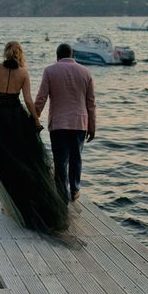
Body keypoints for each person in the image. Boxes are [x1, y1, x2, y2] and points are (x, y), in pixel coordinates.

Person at [0, 41, 68, 233]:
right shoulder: (23, 73)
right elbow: (28, 100)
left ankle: (7, 204)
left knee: (2, 163)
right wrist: (35, 121)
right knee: (23, 162)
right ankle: (20, 204)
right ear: (20, 55)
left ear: (5, 53)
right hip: (17, 120)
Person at [35, 43, 96, 203]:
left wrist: (34, 117)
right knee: (76, 158)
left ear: (57, 56)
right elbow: (91, 103)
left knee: (60, 160)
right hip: (79, 123)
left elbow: (41, 97)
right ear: (72, 55)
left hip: (58, 124)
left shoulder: (49, 71)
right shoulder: (86, 72)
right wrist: (92, 126)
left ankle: (62, 195)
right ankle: (74, 190)